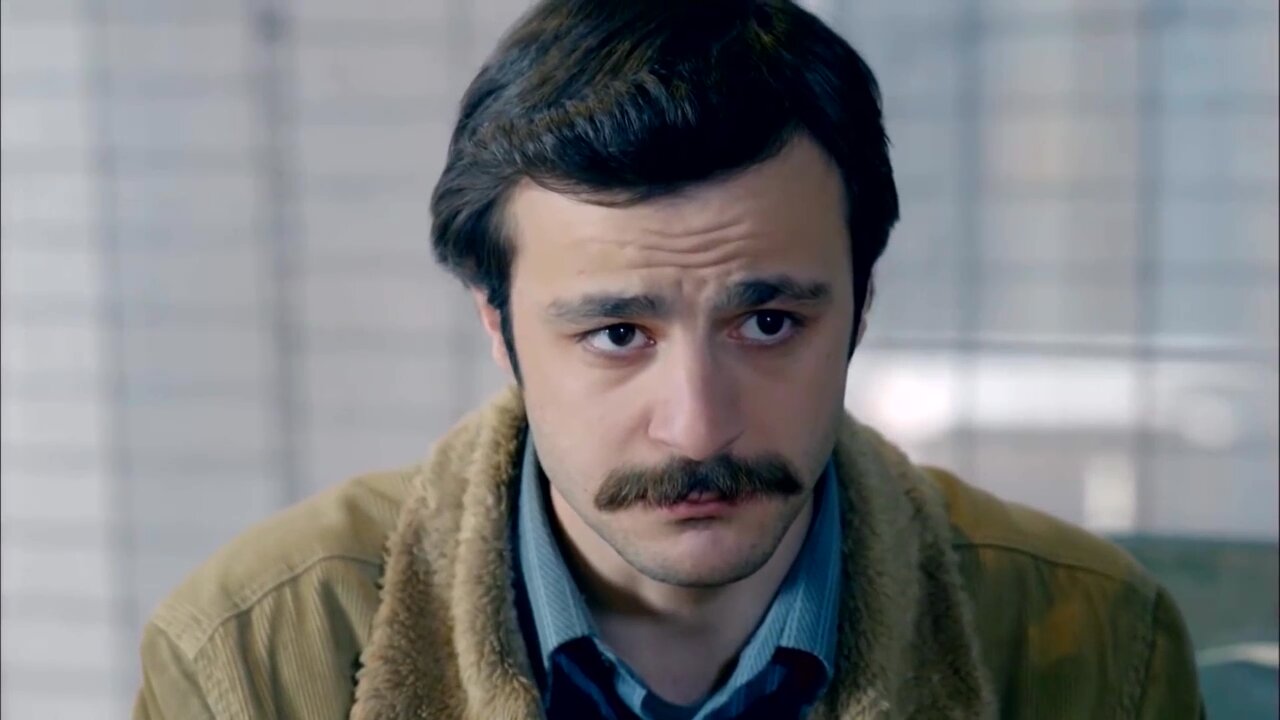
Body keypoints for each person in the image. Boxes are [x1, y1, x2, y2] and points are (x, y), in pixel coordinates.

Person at [133, 1, 1204, 718]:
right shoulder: (256, 658)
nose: (697, 426)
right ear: (499, 328)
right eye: (616, 335)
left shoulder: (1100, 646)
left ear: (860, 308)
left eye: (768, 323)